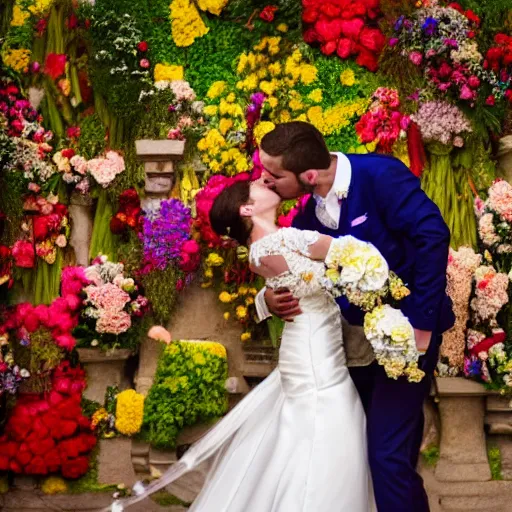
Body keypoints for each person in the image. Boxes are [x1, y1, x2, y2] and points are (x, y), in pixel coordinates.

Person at [109, 178, 376, 512]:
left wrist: (267, 297)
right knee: (328, 428)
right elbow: (320, 273)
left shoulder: (271, 244)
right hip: (313, 351)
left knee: (314, 433)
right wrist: (368, 270)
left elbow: (295, 279)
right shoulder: (275, 244)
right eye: (258, 185)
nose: (265, 181)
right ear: (247, 208)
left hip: (314, 344)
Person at [255, 121, 455, 512]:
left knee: (386, 456)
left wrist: (421, 325)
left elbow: (433, 235)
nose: (265, 180)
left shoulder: (381, 175)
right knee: (383, 454)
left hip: (408, 339)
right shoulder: (306, 218)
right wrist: (269, 298)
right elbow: (293, 270)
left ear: (308, 175)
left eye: (274, 174)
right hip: (356, 350)